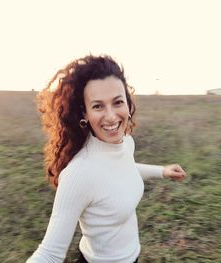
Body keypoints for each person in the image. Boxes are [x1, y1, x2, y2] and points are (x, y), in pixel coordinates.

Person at [27, 55, 187, 263]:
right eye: (98, 106)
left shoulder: (126, 142)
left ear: (128, 105)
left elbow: (123, 169)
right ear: (84, 113)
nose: (111, 116)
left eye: (118, 102)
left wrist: (161, 171)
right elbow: (49, 254)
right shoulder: (79, 173)